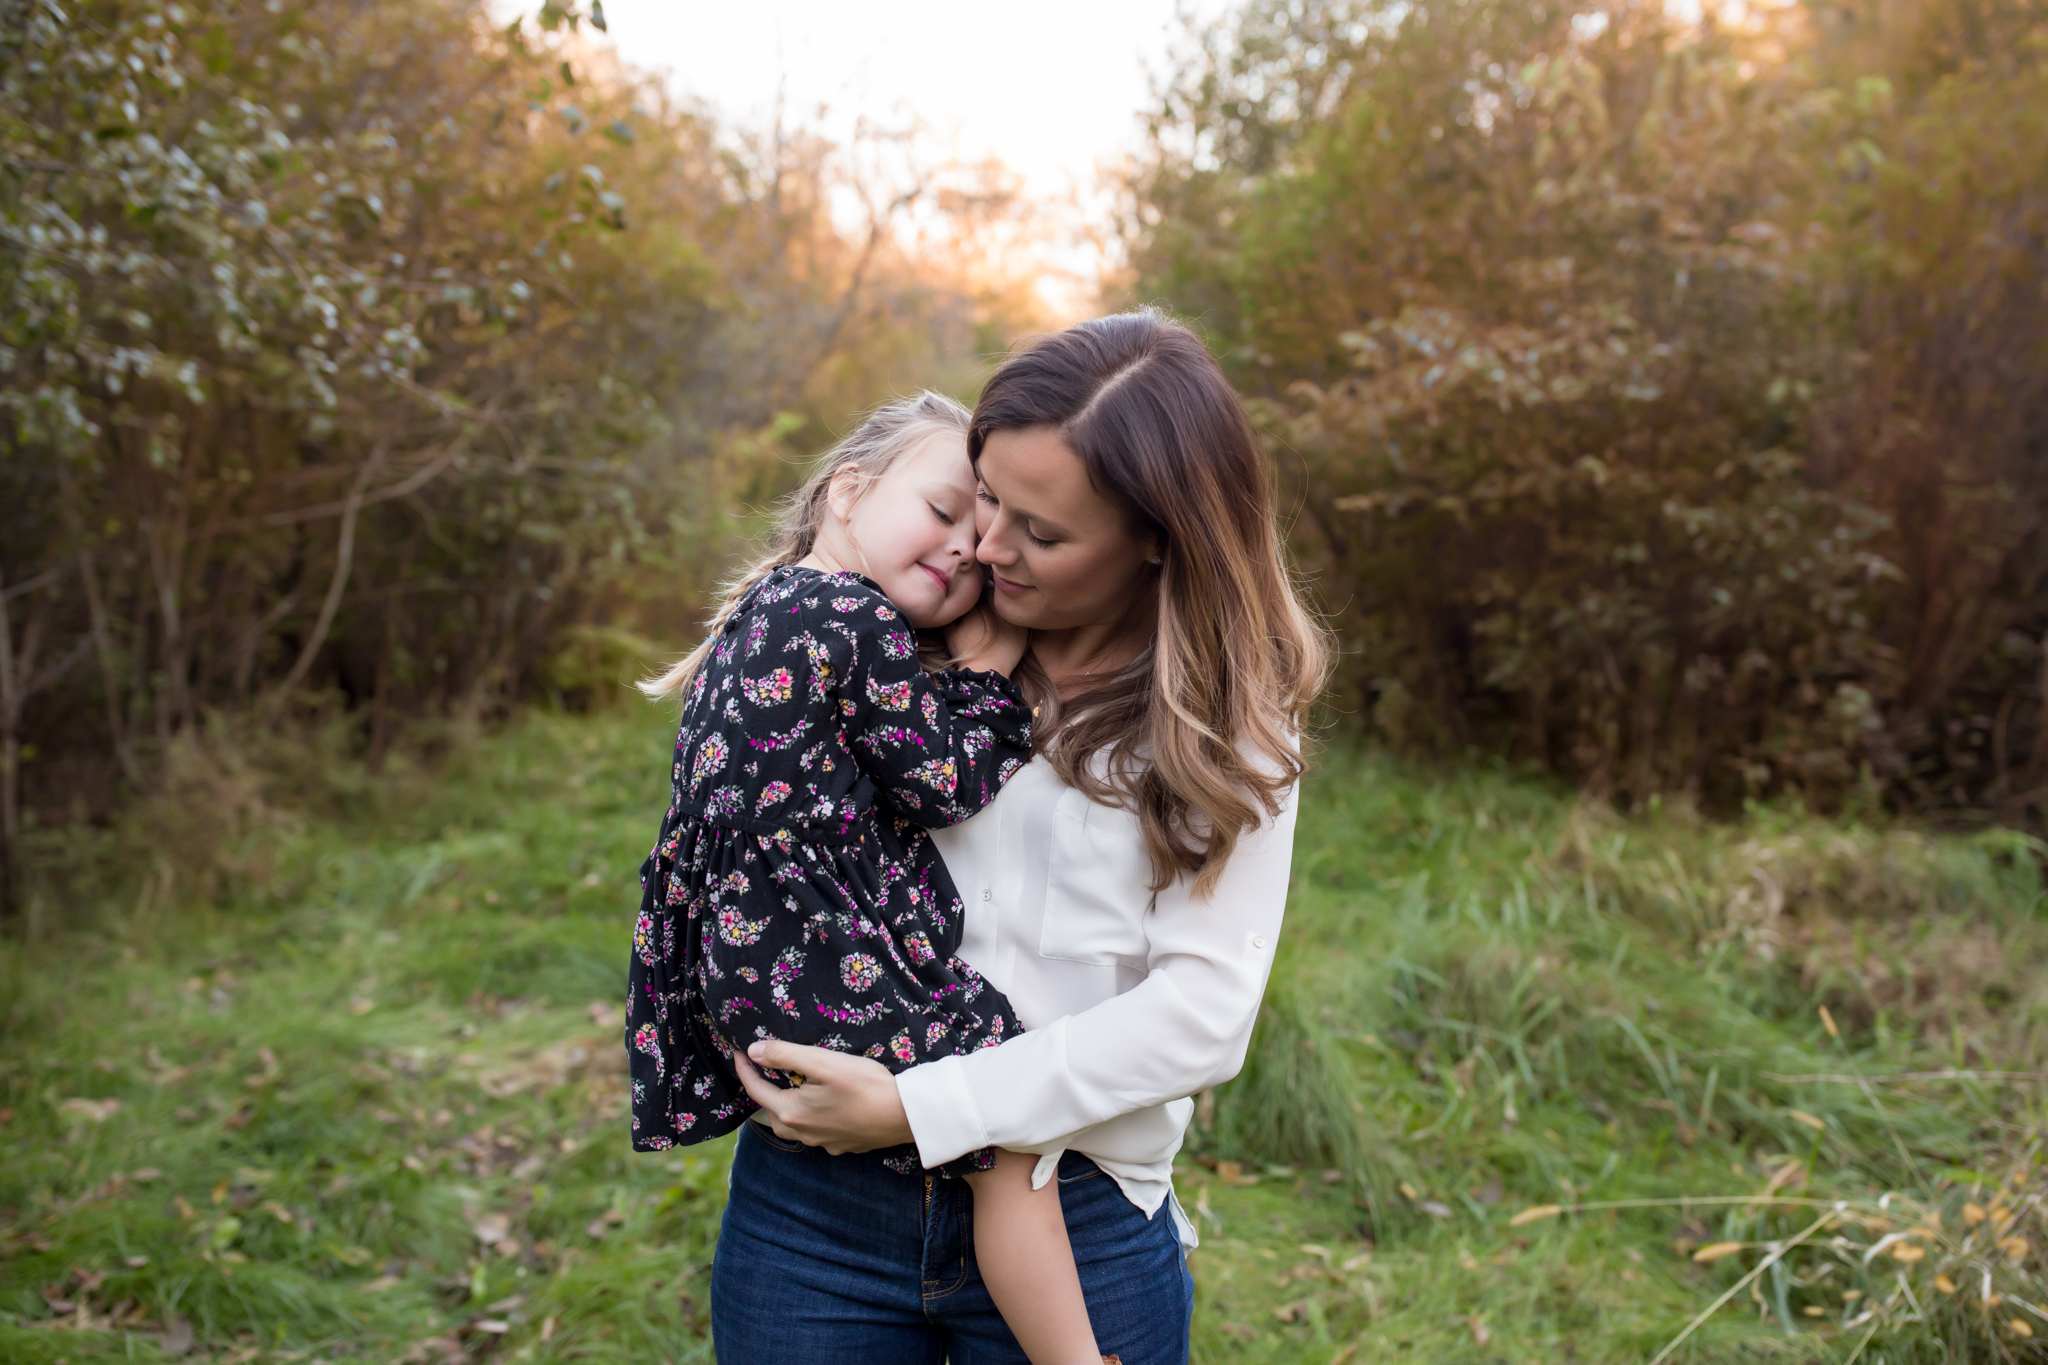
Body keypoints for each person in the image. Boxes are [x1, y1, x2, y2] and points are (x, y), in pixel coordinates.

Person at [715, 308, 1333, 1364]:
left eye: (1039, 532)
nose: (986, 547)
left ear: (1156, 539)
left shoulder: (1218, 723)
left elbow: (1200, 1017)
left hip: (1077, 1208)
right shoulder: (891, 634)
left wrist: (925, 1107)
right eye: (986, 496)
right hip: (820, 1207)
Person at [625, 392, 1107, 1364]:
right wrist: (991, 668)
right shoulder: (850, 616)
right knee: (1006, 1142)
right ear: (847, 492)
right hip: (817, 955)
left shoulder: (763, 610)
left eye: (976, 541)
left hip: (746, 972)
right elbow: (940, 781)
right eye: (942, 512)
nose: (966, 549)